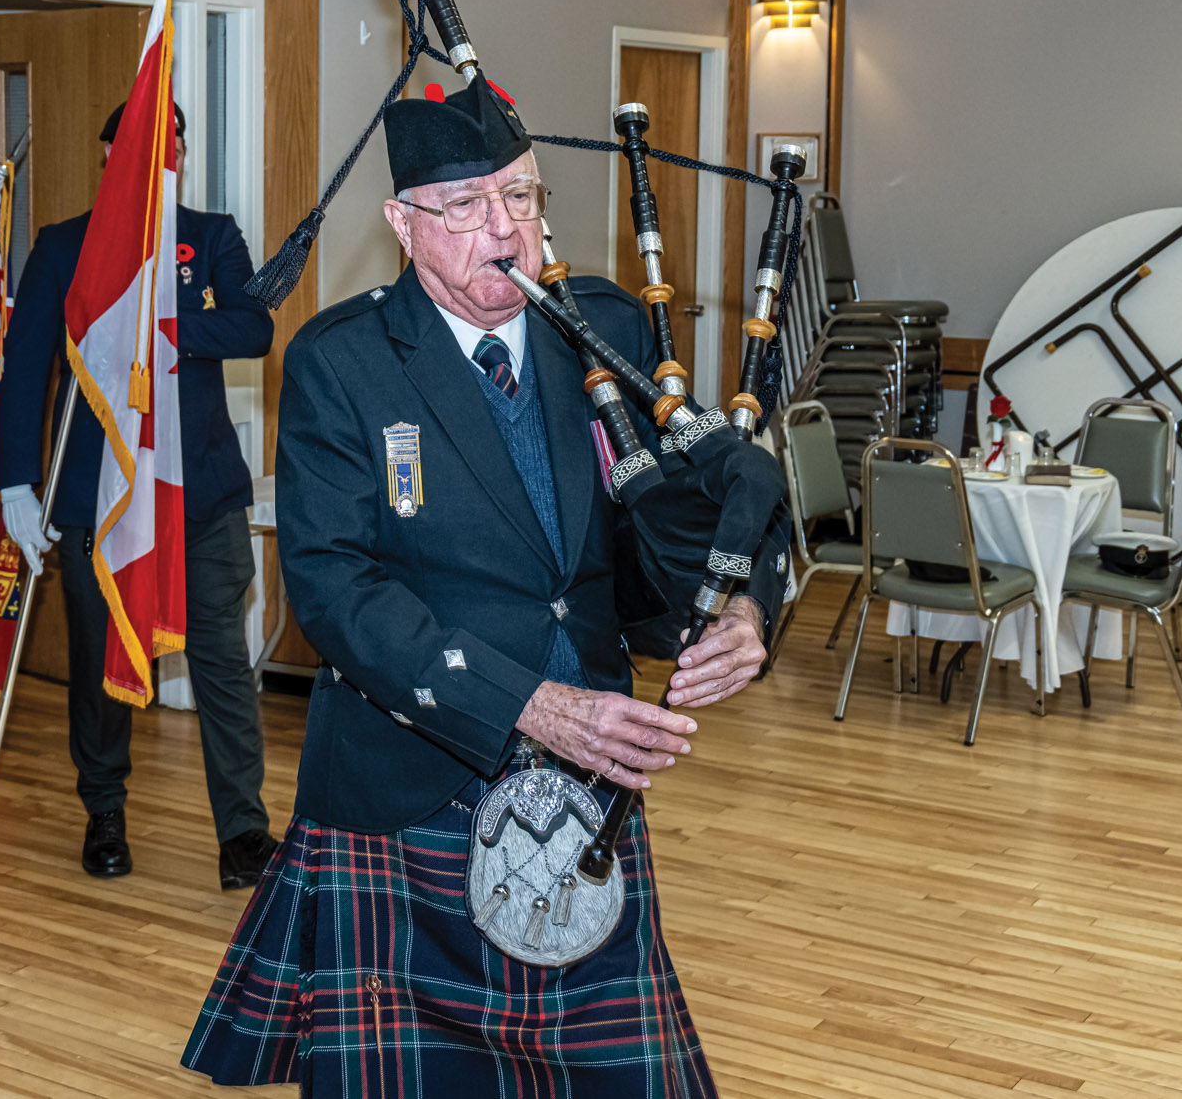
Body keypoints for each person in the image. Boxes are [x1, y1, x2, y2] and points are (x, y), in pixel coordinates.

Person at [183, 80, 786, 1093]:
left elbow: (708, 488)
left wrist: (742, 600)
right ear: (404, 225)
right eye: (466, 207)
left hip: (585, 784)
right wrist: (529, 705)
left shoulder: (598, 330)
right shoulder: (343, 360)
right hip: (413, 768)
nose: (504, 229)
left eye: (520, 197)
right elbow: (334, 590)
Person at [0, 101, 278, 890]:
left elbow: (253, 328)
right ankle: (105, 811)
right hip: (101, 497)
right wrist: (16, 481)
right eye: (147, 140)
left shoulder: (211, 234)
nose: (167, 150)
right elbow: (25, 370)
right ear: (110, 154)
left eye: (176, 138)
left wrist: (161, 320)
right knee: (100, 660)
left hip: (203, 498)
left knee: (223, 661)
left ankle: (244, 833)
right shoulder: (61, 247)